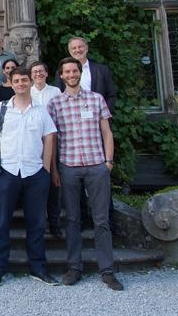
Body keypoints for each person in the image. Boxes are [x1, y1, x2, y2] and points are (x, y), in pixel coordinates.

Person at [48, 57, 123, 291]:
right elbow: (52, 138)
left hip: (95, 165)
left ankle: (107, 270)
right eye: (67, 71)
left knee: (101, 220)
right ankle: (74, 267)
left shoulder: (96, 99)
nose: (71, 74)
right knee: (72, 219)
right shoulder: (55, 104)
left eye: (74, 70)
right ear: (61, 76)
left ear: (80, 72)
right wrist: (54, 169)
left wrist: (108, 162)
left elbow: (107, 132)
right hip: (68, 166)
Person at [0, 67, 58, 287]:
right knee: (2, 222)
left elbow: (49, 139)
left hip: (35, 173)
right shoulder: (2, 108)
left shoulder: (41, 110)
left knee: (36, 223)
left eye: (25, 80)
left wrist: (45, 171)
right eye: (17, 81)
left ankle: (38, 267)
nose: (21, 84)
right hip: (7, 171)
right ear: (11, 83)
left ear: (30, 82)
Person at [29, 60, 62, 236]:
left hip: (52, 139)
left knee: (53, 181)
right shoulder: (28, 91)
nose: (38, 74)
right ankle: (38, 223)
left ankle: (55, 222)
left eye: (41, 71)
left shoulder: (56, 92)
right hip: (33, 142)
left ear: (46, 73)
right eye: (35, 72)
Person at [56, 36, 117, 112]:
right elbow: (59, 94)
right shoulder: (62, 72)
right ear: (69, 51)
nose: (77, 50)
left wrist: (104, 114)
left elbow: (111, 95)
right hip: (71, 117)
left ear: (86, 48)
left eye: (80, 47)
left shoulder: (102, 70)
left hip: (98, 117)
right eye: (74, 48)